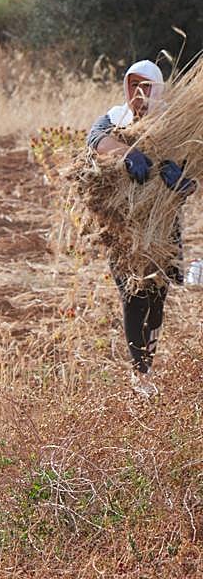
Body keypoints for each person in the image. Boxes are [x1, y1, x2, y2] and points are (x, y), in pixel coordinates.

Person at [86, 59, 196, 397]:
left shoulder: (174, 125)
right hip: (123, 230)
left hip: (162, 231)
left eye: (146, 86)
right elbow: (94, 139)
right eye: (134, 85)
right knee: (132, 296)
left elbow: (191, 176)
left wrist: (179, 179)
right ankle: (140, 375)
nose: (139, 93)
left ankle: (149, 363)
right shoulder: (115, 118)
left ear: (157, 89)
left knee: (157, 298)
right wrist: (126, 153)